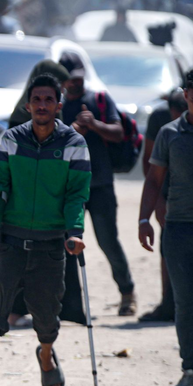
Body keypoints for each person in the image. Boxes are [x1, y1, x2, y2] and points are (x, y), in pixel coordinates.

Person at [0, 73, 91, 386]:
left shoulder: (74, 144)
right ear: (27, 105)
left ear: (58, 105)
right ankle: (26, 341)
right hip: (12, 238)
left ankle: (45, 353)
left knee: (47, 312)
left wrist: (74, 232)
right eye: (36, 99)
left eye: (48, 100)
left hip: (51, 241)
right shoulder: (12, 139)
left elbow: (76, 195)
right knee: (0, 315)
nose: (42, 105)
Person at [139, 67, 193, 386]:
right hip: (179, 229)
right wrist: (144, 220)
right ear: (185, 97)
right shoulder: (170, 134)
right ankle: (189, 370)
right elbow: (154, 180)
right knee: (185, 304)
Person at [59, 52, 137, 316]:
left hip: (100, 184)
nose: (76, 84)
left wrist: (94, 125)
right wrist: (74, 130)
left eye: (79, 78)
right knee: (67, 244)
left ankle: (127, 293)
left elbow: (118, 133)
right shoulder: (55, 106)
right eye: (71, 80)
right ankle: (69, 305)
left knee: (107, 241)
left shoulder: (98, 99)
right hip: (69, 189)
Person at [139, 89, 187, 322]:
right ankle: (169, 304)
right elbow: (150, 166)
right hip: (170, 195)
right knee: (168, 249)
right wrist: (157, 204)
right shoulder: (162, 123)